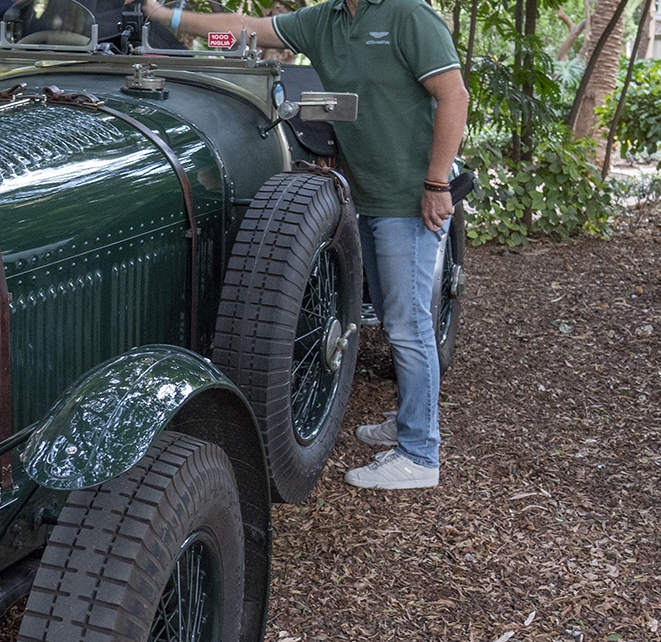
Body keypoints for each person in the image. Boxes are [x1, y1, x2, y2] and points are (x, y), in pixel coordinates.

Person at [145, 0, 469, 490]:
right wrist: (164, 17)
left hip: (411, 198)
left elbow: (455, 96)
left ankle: (420, 453)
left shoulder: (408, 15)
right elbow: (242, 31)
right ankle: (408, 422)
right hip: (369, 195)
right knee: (388, 311)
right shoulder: (326, 20)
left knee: (407, 325)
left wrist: (438, 183)